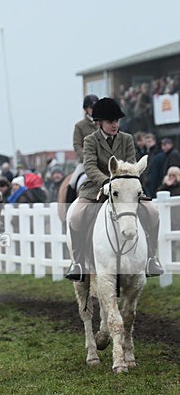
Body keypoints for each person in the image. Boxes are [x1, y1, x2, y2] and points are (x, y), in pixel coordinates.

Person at [65, 97, 164, 281]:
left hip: (125, 187)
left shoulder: (127, 139)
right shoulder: (90, 140)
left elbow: (132, 164)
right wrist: (106, 182)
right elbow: (90, 166)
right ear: (99, 123)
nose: (115, 125)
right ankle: (78, 262)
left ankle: (151, 257)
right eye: (110, 121)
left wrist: (122, 182)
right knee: (76, 216)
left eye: (117, 121)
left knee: (153, 213)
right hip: (97, 186)